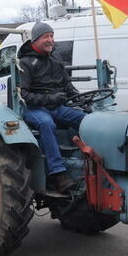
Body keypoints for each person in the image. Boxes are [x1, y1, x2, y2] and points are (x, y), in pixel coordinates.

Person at [18, 22, 84, 192]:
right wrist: (49, 98)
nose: (50, 40)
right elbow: (24, 96)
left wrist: (81, 99)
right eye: (46, 36)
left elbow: (67, 84)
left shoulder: (56, 57)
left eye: (51, 36)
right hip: (35, 109)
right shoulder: (26, 62)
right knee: (46, 123)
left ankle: (88, 160)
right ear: (35, 40)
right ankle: (58, 173)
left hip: (57, 106)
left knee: (84, 119)